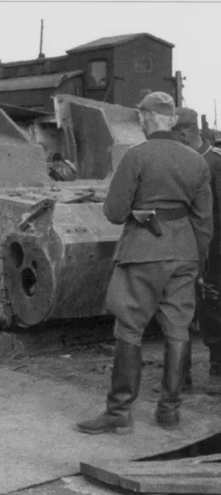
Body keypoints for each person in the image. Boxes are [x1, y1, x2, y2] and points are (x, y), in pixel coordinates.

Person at [76, 92, 212, 434]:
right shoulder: (196, 161)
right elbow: (204, 222)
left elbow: (114, 212)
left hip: (143, 251)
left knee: (129, 329)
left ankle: (119, 411)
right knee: (178, 329)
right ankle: (170, 411)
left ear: (144, 118)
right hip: (184, 253)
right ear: (173, 120)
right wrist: (197, 262)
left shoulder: (136, 156)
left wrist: (137, 211)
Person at [173, 107, 221, 396]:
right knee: (177, 310)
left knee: (212, 308)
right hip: (181, 248)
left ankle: (218, 368)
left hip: (214, 250)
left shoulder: (215, 163)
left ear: (184, 133)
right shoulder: (178, 163)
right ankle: (182, 373)